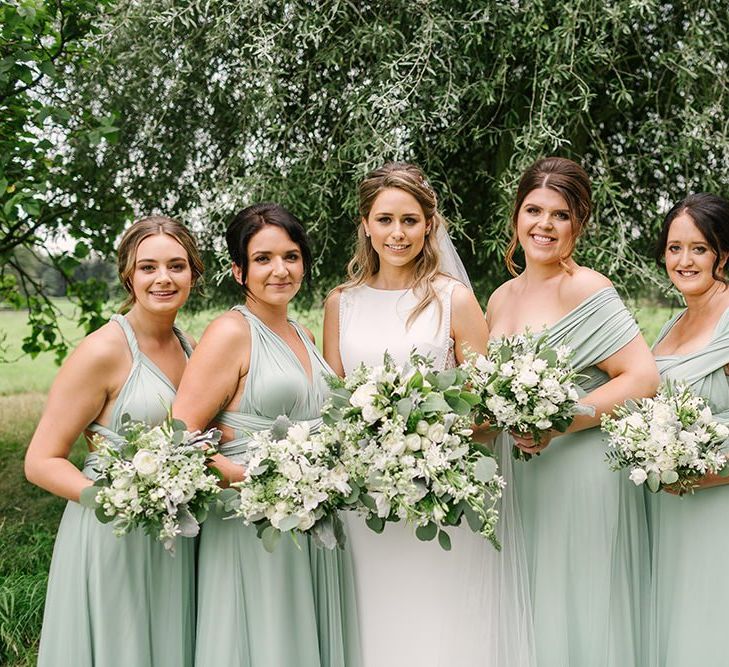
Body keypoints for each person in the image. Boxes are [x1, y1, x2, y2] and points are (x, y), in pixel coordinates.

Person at [323, 162, 535, 667]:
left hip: (438, 496)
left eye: (411, 220)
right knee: (375, 617)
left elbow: (489, 404)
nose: (398, 233)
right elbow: (332, 402)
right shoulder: (341, 304)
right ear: (366, 226)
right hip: (366, 499)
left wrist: (433, 442)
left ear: (429, 225)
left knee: (442, 623)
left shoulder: (452, 298)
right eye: (385, 220)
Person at [486, 157, 659, 666]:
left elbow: (642, 377)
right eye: (533, 210)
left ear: (577, 223)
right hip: (519, 477)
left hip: (579, 469)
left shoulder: (587, 287)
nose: (544, 224)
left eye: (559, 215)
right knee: (531, 611)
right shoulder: (499, 298)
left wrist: (563, 422)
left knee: (578, 606)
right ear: (517, 216)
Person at [172, 202, 360, 667]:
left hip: (311, 518)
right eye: (263, 258)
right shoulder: (229, 334)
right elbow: (180, 441)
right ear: (239, 270)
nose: (280, 269)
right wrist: (257, 482)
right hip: (251, 522)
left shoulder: (304, 335)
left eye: (291, 256)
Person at [25, 216, 203, 667]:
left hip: (175, 534)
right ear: (128, 274)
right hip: (112, 533)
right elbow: (41, 460)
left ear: (193, 274)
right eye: (148, 267)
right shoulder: (101, 351)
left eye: (176, 266)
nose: (163, 278)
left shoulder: (192, 349)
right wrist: (116, 498)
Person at [648, 193, 729, 667]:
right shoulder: (671, 324)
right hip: (669, 510)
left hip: (716, 506)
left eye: (699, 248)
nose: (684, 260)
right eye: (674, 248)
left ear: (724, 253)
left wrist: (700, 467)